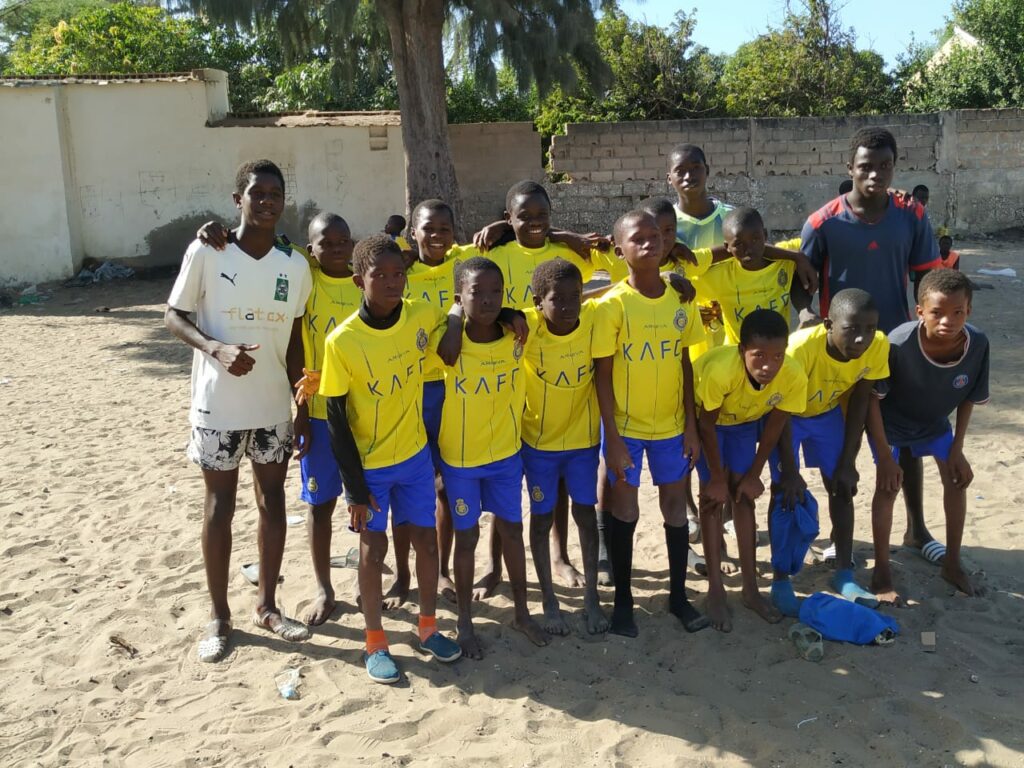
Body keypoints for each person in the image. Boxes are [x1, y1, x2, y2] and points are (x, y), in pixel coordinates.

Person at [164, 159, 313, 663]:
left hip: (273, 407)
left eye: (276, 193)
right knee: (219, 508)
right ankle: (219, 616)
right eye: (257, 192)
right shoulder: (208, 250)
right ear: (238, 200)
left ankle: (268, 605)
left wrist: (301, 402)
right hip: (217, 409)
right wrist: (214, 348)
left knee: (273, 502)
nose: (268, 200)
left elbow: (295, 339)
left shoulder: (294, 265)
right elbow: (173, 315)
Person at [318, 234, 462, 684]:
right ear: (359, 279)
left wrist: (463, 313)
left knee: (426, 541)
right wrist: (355, 490)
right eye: (379, 275)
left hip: (416, 457)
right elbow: (337, 423)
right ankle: (375, 640)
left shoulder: (420, 311)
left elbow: (453, 333)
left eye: (398, 273)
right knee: (373, 549)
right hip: (370, 468)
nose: (391, 282)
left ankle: (427, 627)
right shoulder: (342, 342)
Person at [801, 126, 943, 566]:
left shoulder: (912, 216)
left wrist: (927, 329)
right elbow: (800, 283)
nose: (876, 174)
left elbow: (928, 278)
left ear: (894, 167)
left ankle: (916, 528)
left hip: (894, 347)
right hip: (837, 354)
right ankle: (837, 537)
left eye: (885, 166)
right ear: (850, 169)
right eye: (866, 166)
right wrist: (806, 314)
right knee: (838, 447)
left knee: (903, 440)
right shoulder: (822, 222)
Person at [471, 181, 600, 599]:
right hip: (512, 384)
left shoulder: (563, 253)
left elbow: (611, 268)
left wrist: (562, 236)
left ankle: (561, 557)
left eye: (542, 216)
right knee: (503, 488)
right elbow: (470, 280)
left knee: (560, 489)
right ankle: (493, 566)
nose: (534, 224)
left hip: (562, 397)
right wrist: (499, 228)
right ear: (508, 219)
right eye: (523, 217)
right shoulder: (498, 252)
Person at [594, 210, 708, 637]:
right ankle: (624, 603)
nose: (650, 243)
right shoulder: (613, 306)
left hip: (673, 429)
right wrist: (615, 440)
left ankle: (679, 597)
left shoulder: (680, 300)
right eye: (637, 238)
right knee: (625, 509)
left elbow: (685, 365)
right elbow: (602, 378)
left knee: (676, 509)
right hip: (627, 430)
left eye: (657, 236)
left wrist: (691, 428)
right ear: (619, 249)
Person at [440, 256, 546, 658]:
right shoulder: (447, 340)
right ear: (459, 297)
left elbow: (571, 302)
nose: (487, 301)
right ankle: (465, 622)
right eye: (476, 293)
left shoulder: (518, 334)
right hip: (462, 460)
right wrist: (453, 317)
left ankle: (521, 611)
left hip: (505, 456)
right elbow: (437, 339)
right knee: (466, 537)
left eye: (495, 293)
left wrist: (512, 311)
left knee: (512, 532)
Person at [867, 269, 989, 600]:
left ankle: (952, 562)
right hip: (891, 425)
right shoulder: (898, 344)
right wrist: (883, 456)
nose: (948, 320)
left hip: (935, 424)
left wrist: (958, 449)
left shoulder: (977, 344)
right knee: (887, 487)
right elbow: (872, 402)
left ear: (969, 311)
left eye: (958, 312)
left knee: (957, 478)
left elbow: (969, 399)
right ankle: (882, 569)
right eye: (937, 312)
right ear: (920, 312)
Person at [769, 289, 890, 615]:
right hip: (787, 418)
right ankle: (780, 579)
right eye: (851, 329)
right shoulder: (799, 351)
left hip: (825, 415)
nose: (862, 339)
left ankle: (844, 574)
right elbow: (780, 409)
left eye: (869, 328)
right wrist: (791, 471)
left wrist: (849, 461)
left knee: (842, 485)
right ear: (829, 324)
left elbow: (861, 399)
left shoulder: (878, 344)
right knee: (785, 492)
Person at [387, 199, 480, 609]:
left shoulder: (465, 262)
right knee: (403, 488)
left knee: (444, 486)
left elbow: (510, 235)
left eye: (445, 227)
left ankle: (440, 569)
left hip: (452, 391)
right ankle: (403, 575)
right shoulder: (401, 270)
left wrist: (495, 226)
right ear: (414, 234)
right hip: (408, 391)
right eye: (429, 228)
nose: (438, 235)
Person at [695, 310, 808, 632]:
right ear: (741, 349)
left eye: (777, 356)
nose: (768, 365)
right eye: (758, 356)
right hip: (708, 423)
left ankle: (750, 589)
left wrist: (755, 473)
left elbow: (775, 425)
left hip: (743, 424)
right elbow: (706, 423)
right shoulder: (720, 371)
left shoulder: (793, 375)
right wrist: (716, 478)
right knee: (712, 499)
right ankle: (716, 589)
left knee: (744, 497)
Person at [521, 259, 609, 636]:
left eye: (577, 295)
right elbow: (477, 310)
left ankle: (591, 597)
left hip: (582, 442)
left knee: (585, 515)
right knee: (541, 519)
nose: (570, 305)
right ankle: (549, 600)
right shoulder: (526, 328)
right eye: (559, 299)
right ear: (539, 302)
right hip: (538, 444)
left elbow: (623, 286)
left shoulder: (593, 321)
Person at [292, 213, 360, 625]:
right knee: (320, 504)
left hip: (363, 416)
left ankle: (363, 578)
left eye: (343, 241)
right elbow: (295, 351)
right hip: (318, 414)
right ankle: (323, 587)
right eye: (325, 243)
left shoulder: (363, 282)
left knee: (364, 502)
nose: (336, 248)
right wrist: (299, 411)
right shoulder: (308, 284)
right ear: (311, 249)